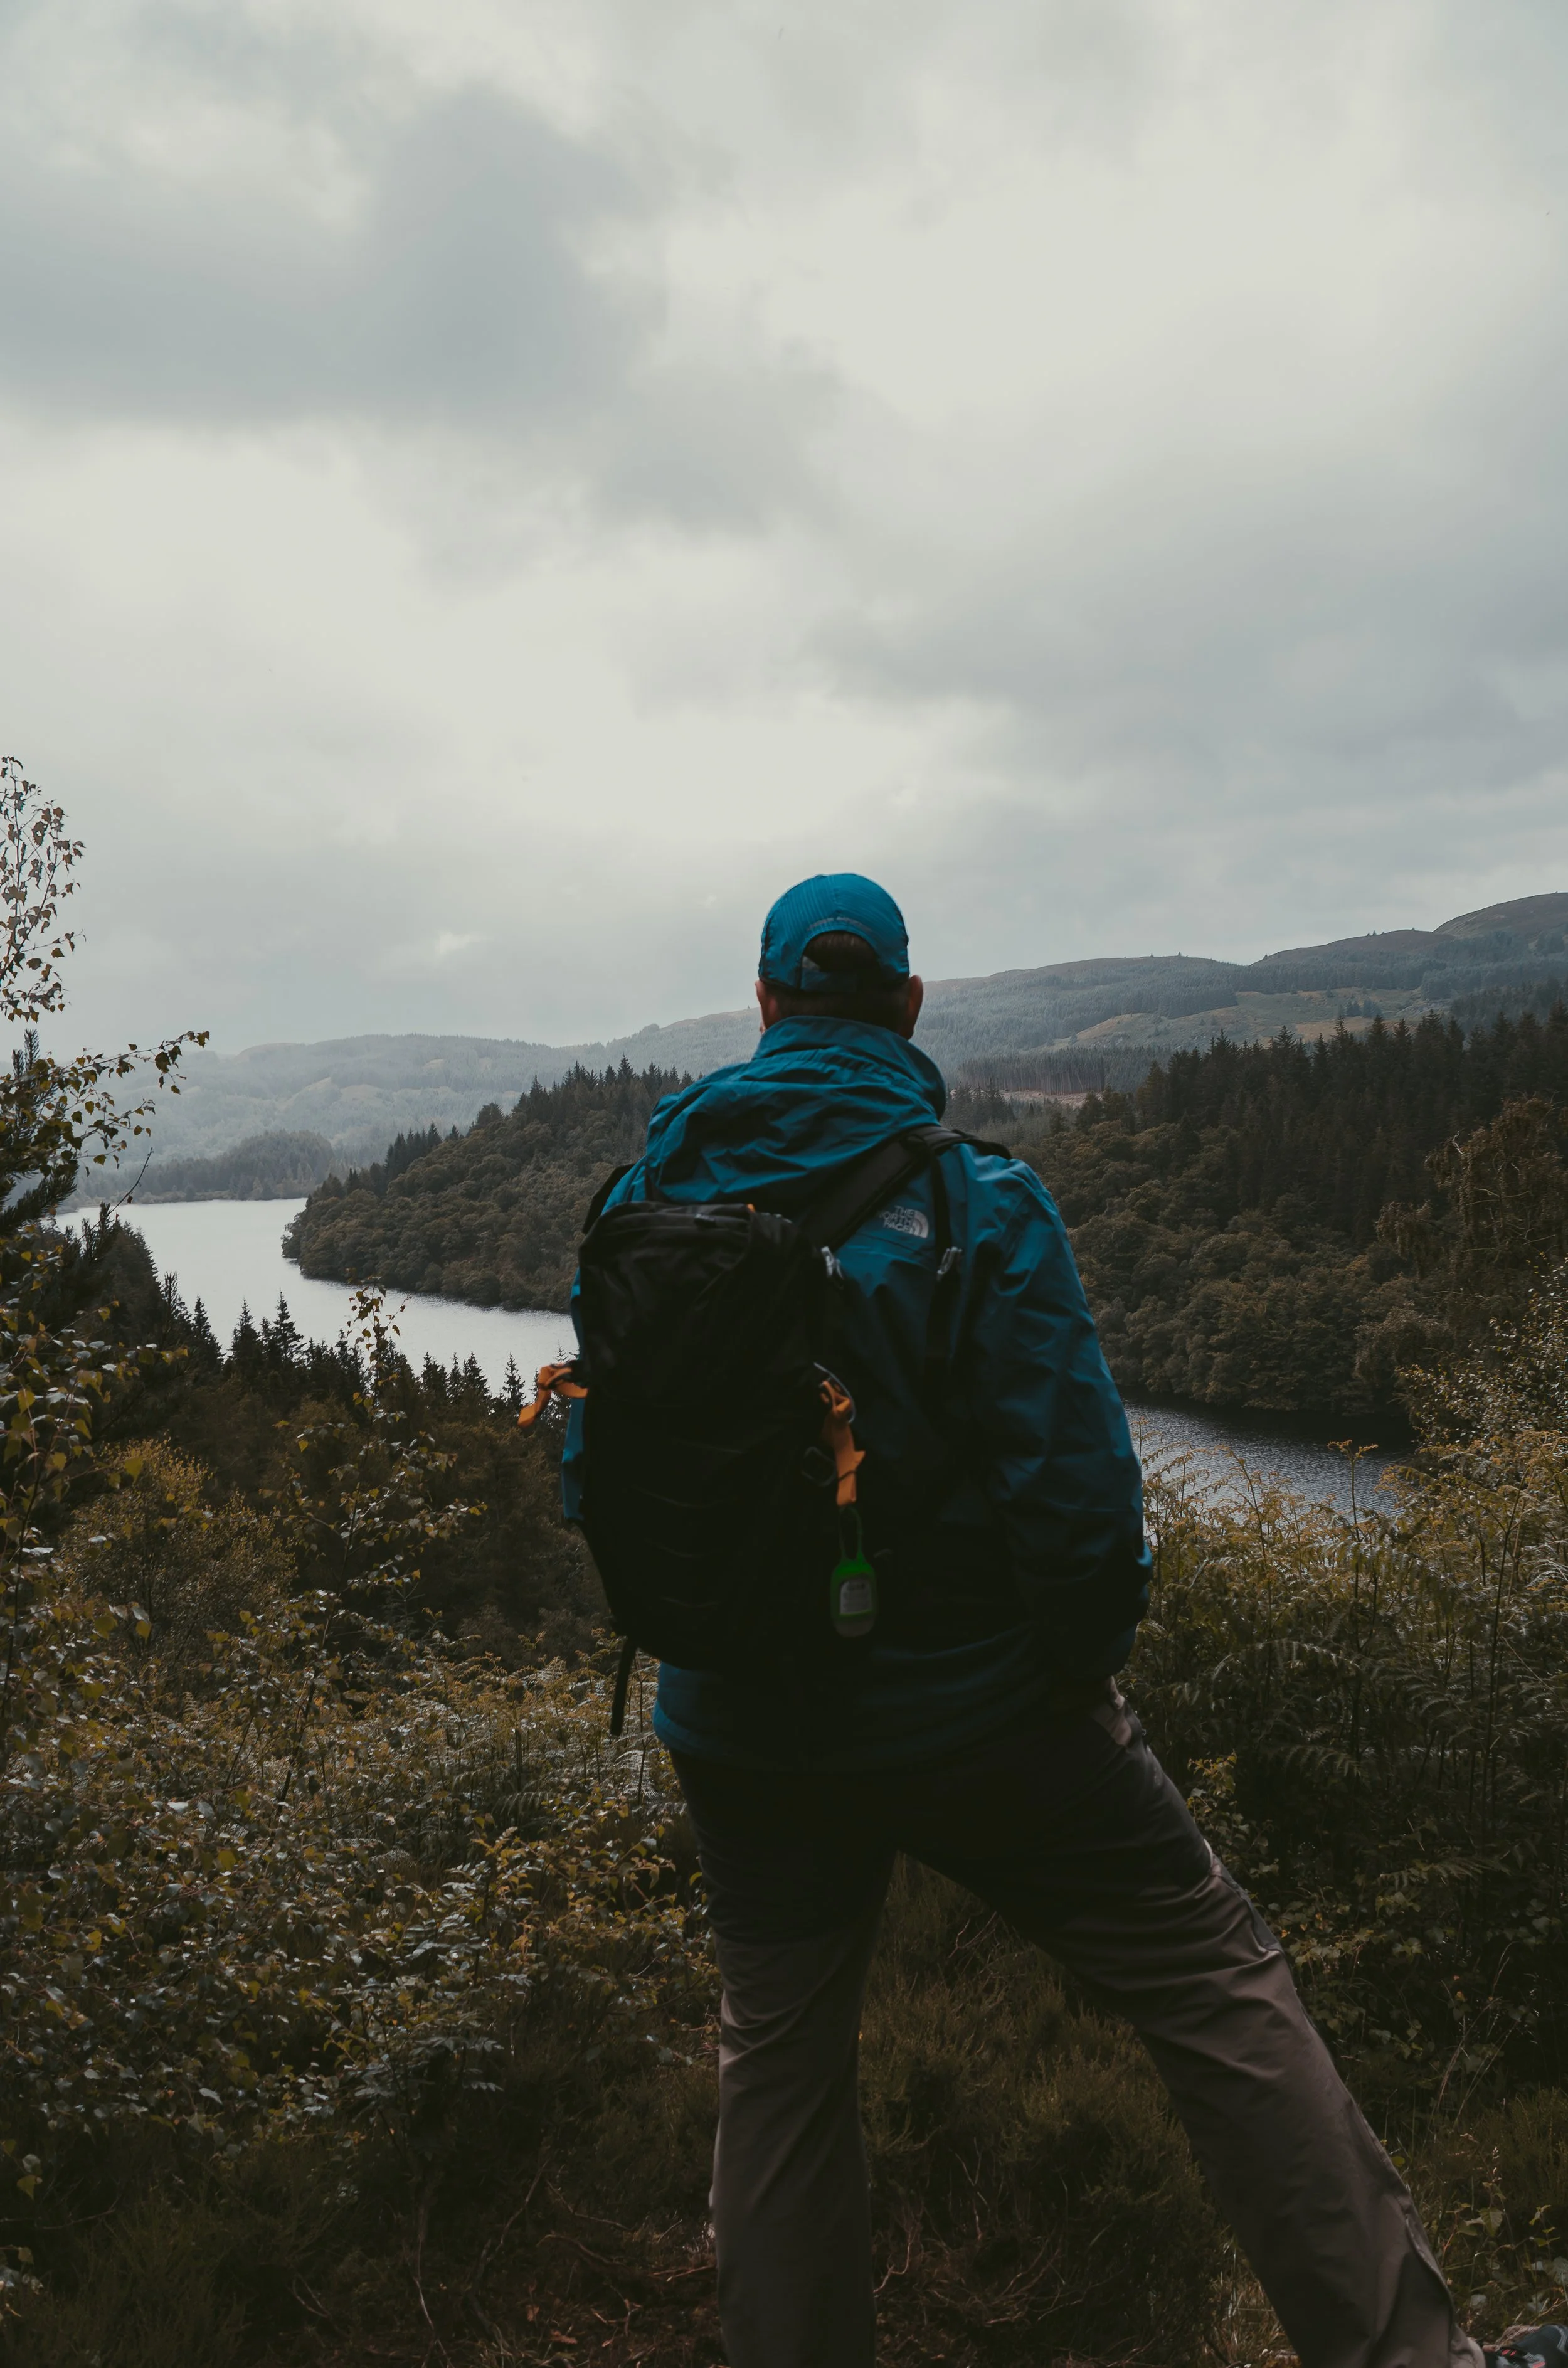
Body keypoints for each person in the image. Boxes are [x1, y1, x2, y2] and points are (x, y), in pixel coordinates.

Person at [562, 872, 1559, 2368]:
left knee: (777, 2060)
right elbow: (1084, 1525)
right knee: (1213, 1984)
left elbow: (599, 1485)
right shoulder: (975, 1204)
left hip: (740, 1728)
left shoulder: (645, 1205)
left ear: (762, 1008)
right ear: (907, 1007)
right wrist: (1056, 1685)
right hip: (989, 1720)